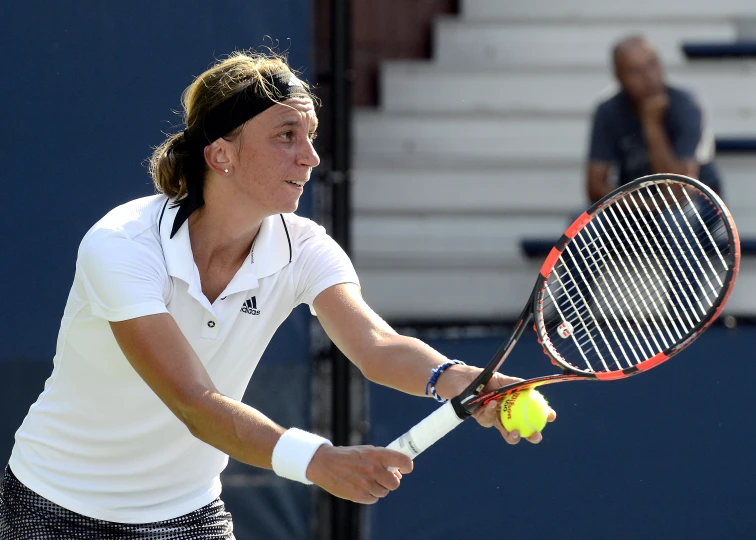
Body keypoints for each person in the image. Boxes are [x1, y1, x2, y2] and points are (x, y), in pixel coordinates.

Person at [0, 51, 556, 539]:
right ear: (222, 155)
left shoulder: (306, 247)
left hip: (185, 514)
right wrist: (315, 460)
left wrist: (460, 380)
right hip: (54, 506)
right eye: (286, 136)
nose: (310, 156)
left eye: (310, 135)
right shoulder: (121, 246)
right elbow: (194, 403)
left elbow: (377, 346)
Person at [586, 36, 723, 203]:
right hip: (637, 204)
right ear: (619, 77)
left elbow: (678, 189)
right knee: (584, 222)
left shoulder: (688, 106)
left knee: (672, 222)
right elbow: (595, 189)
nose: (649, 77)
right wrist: (646, 207)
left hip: (693, 203)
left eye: (652, 65)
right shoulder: (608, 111)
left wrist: (652, 125)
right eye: (635, 71)